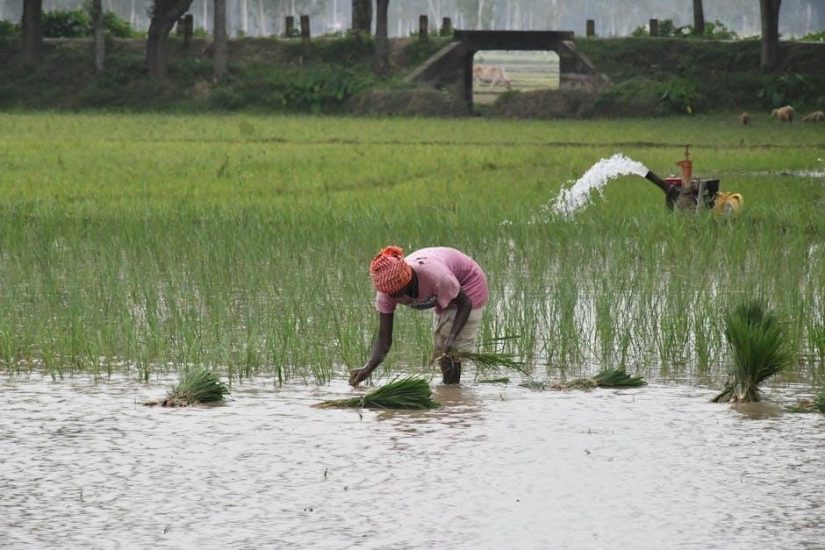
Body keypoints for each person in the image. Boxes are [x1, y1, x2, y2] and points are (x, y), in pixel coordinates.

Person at [348, 245, 488, 386]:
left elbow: (465, 303)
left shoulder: (435, 276)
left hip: (469, 285)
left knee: (452, 349)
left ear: (408, 279)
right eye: (391, 294)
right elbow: (384, 338)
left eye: (398, 292)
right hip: (447, 289)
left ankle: (452, 395)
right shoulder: (386, 292)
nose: (395, 297)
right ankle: (450, 391)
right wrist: (368, 368)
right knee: (441, 347)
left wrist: (452, 338)